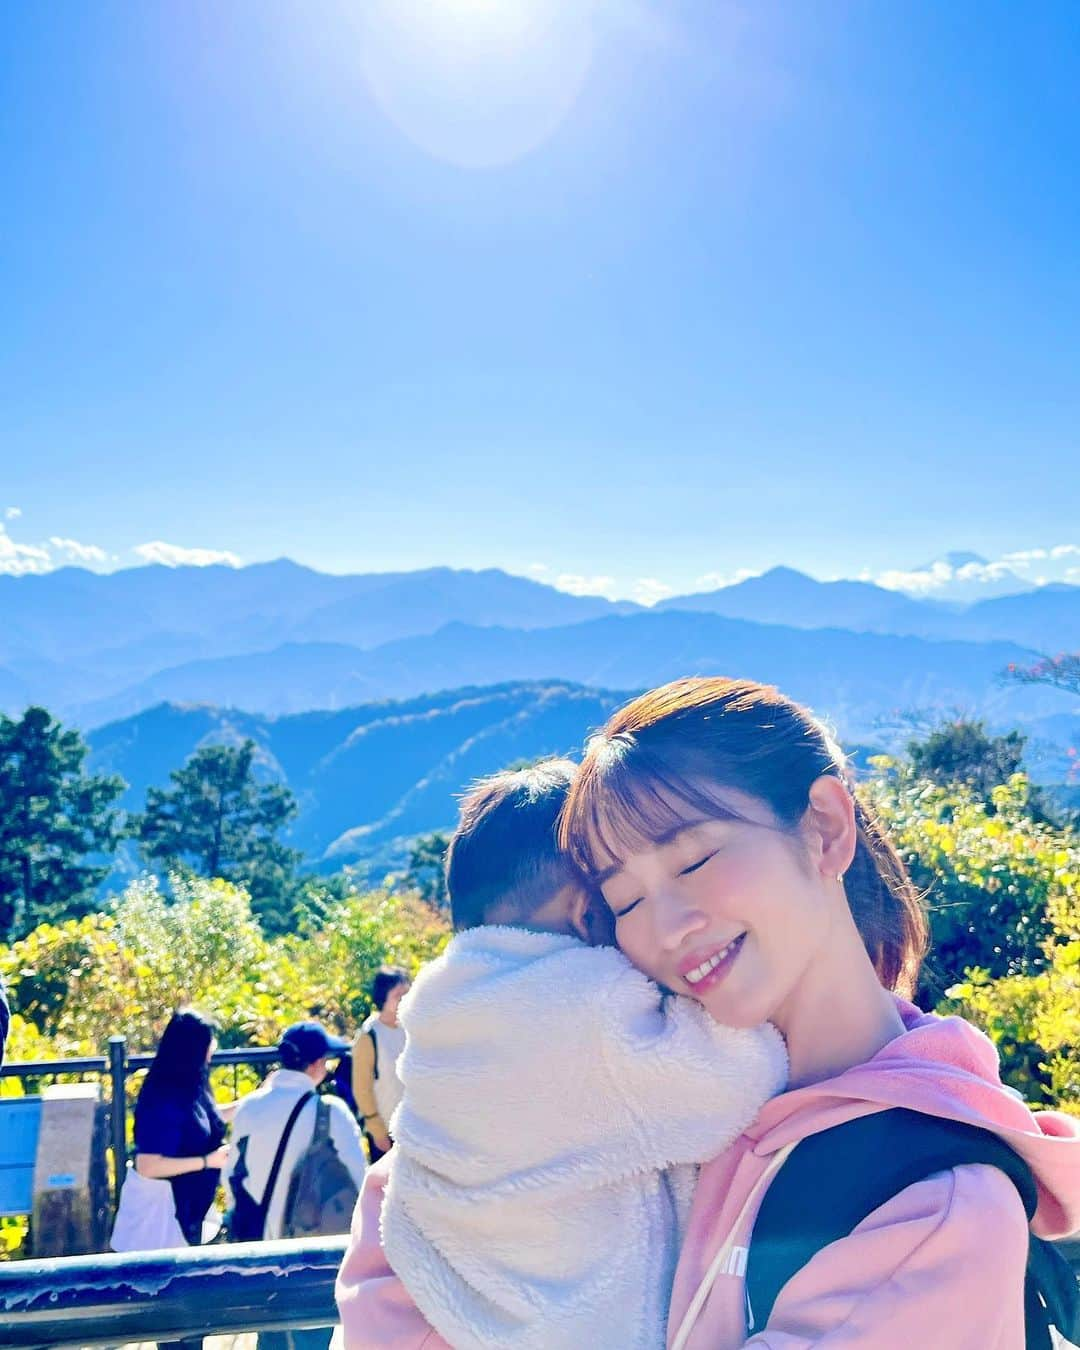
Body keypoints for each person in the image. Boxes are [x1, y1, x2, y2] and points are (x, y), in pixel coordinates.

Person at [336, 677, 1080, 1349]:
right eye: (621, 900)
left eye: (693, 860)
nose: (664, 927)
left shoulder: (932, 1204)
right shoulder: (662, 1106)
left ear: (823, 826)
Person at [340, 760, 788, 1350]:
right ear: (586, 909)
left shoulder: (438, 1006)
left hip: (464, 1297)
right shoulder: (588, 1003)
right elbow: (740, 1075)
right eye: (624, 901)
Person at [226, 1020, 368, 1350]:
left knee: (270, 1336)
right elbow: (359, 1184)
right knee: (312, 1337)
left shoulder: (249, 1108)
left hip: (257, 1249)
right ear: (317, 1065)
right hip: (312, 1252)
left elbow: (232, 1176)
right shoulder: (330, 1113)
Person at [133, 1008, 231, 1350]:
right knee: (178, 1324)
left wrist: (262, 1101)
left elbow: (207, 1120)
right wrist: (207, 1161)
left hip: (190, 1218)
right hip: (169, 1220)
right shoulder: (163, 1096)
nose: (214, 1048)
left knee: (191, 1320)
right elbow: (147, 1164)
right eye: (208, 1042)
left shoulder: (193, 1083)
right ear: (194, 1047)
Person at [350, 967, 410, 1162]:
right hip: (385, 1129)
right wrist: (377, 1130)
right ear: (383, 997)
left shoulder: (410, 1028)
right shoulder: (370, 1035)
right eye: (398, 995)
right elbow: (361, 1088)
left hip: (412, 1127)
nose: (404, 999)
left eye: (407, 994)